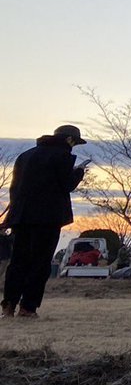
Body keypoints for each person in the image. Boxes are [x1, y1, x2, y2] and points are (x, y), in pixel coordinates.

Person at [2, 125, 88, 319]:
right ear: (69, 140)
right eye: (74, 143)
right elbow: (67, 184)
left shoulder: (25, 156)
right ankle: (28, 307)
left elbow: (14, 188)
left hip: (22, 217)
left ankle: (8, 305)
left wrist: (11, 216)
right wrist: (79, 172)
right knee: (40, 262)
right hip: (48, 217)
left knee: (18, 262)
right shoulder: (62, 156)